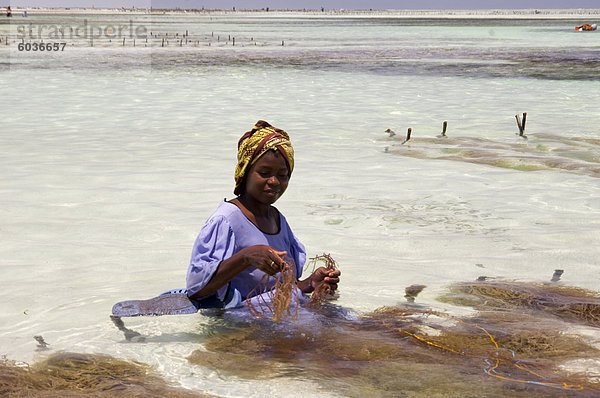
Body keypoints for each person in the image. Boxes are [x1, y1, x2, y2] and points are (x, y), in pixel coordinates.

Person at [186, 120, 340, 308]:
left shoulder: (277, 219)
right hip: (244, 325)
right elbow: (196, 288)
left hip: (276, 317)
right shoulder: (226, 220)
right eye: (264, 172)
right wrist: (245, 257)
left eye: (282, 175)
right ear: (245, 171)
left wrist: (310, 284)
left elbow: (277, 290)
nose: (274, 181)